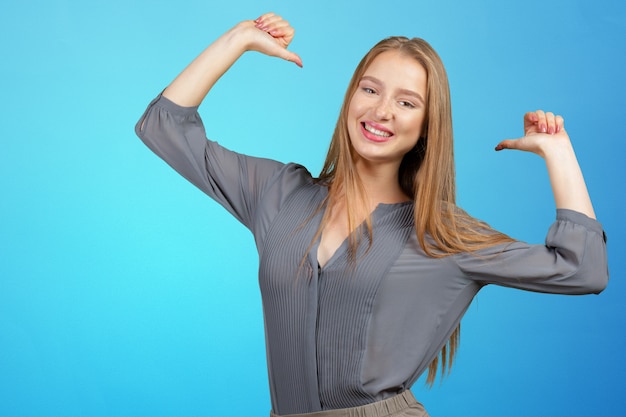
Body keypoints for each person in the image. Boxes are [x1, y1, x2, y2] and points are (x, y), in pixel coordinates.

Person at [135, 12, 608, 417]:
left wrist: (557, 151)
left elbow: (582, 268)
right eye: (370, 89)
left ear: (426, 127)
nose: (382, 111)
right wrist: (238, 38)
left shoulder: (441, 233)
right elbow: (162, 126)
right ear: (350, 98)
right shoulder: (277, 193)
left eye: (407, 102)